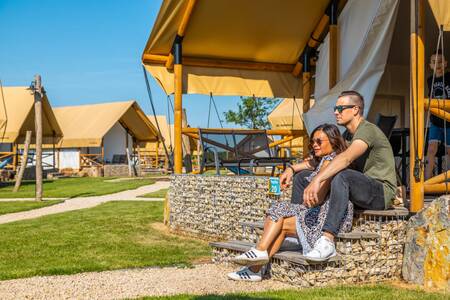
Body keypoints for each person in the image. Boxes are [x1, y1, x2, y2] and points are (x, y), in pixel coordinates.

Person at [227, 124, 353, 282]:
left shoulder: (332, 161)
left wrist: (305, 195)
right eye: (312, 142)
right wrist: (290, 170)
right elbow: (303, 165)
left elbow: (318, 198)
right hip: (319, 211)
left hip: (328, 216)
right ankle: (256, 264)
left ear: (333, 141)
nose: (314, 145)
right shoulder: (323, 160)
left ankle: (257, 260)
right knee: (280, 222)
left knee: (280, 215)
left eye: (319, 141)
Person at [300, 90, 397, 262]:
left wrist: (318, 180)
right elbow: (322, 159)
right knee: (303, 177)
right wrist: (293, 169)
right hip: (363, 187)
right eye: (335, 108)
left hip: (381, 192)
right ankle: (298, 226)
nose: (336, 112)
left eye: (340, 108)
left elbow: (345, 158)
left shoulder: (367, 130)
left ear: (355, 109)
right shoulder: (347, 135)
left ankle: (327, 240)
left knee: (342, 175)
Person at [425, 51, 450, 179]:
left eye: (440, 61)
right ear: (430, 65)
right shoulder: (430, 80)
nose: (437, 64)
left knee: (449, 151)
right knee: (431, 149)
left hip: (449, 120)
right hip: (435, 120)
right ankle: (427, 181)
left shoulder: (449, 77)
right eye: (434, 62)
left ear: (445, 64)